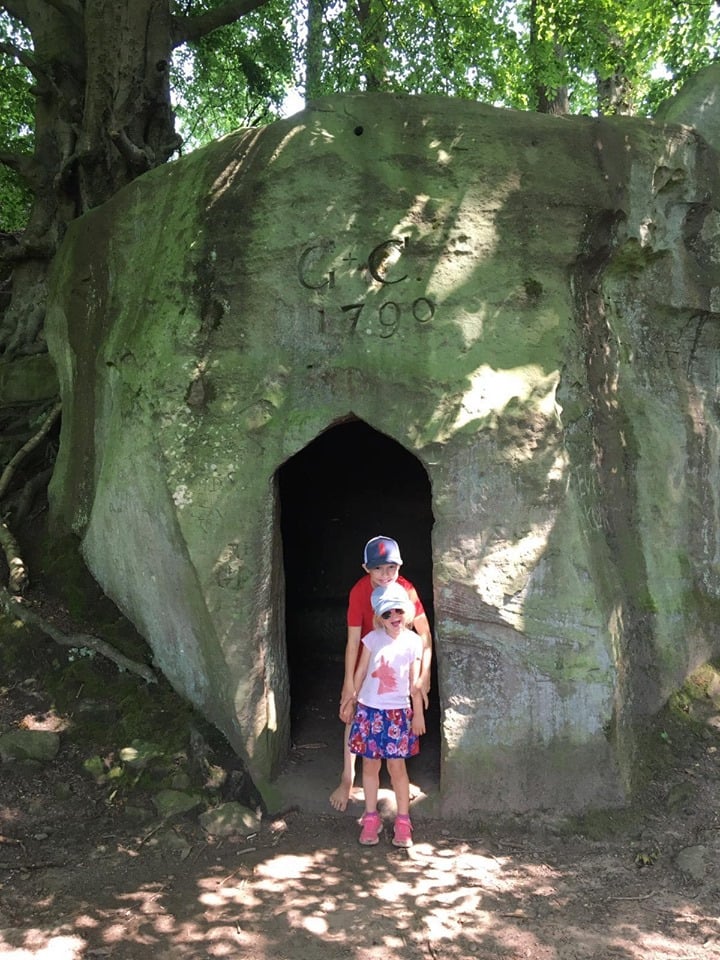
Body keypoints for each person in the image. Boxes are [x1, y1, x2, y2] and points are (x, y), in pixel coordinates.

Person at [329, 535, 432, 812]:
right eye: (378, 569)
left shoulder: (406, 590)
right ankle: (347, 778)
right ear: (366, 568)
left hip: (400, 660)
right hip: (370, 656)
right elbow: (353, 642)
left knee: (401, 715)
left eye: (391, 568)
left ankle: (399, 778)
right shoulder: (358, 592)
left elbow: (424, 635)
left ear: (400, 566)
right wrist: (348, 683)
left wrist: (424, 676)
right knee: (355, 713)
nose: (386, 575)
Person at [344, 581, 426, 847]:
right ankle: (371, 817)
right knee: (369, 764)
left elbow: (415, 681)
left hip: (398, 713)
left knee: (396, 767)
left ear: (407, 611)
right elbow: (361, 671)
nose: (394, 618)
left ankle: (403, 821)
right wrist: (351, 697)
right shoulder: (372, 639)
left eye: (398, 611)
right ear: (379, 617)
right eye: (387, 613)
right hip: (370, 711)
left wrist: (418, 714)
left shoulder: (413, 642)